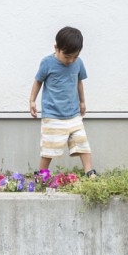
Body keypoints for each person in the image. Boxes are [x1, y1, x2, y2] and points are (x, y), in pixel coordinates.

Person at [29, 25, 96, 176]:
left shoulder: (78, 63)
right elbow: (38, 81)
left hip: (73, 113)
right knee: (49, 147)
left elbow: (79, 82)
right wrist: (32, 100)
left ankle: (89, 172)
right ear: (56, 48)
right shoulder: (47, 63)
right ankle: (42, 174)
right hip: (53, 114)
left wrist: (82, 102)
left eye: (75, 56)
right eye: (67, 57)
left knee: (82, 143)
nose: (71, 60)